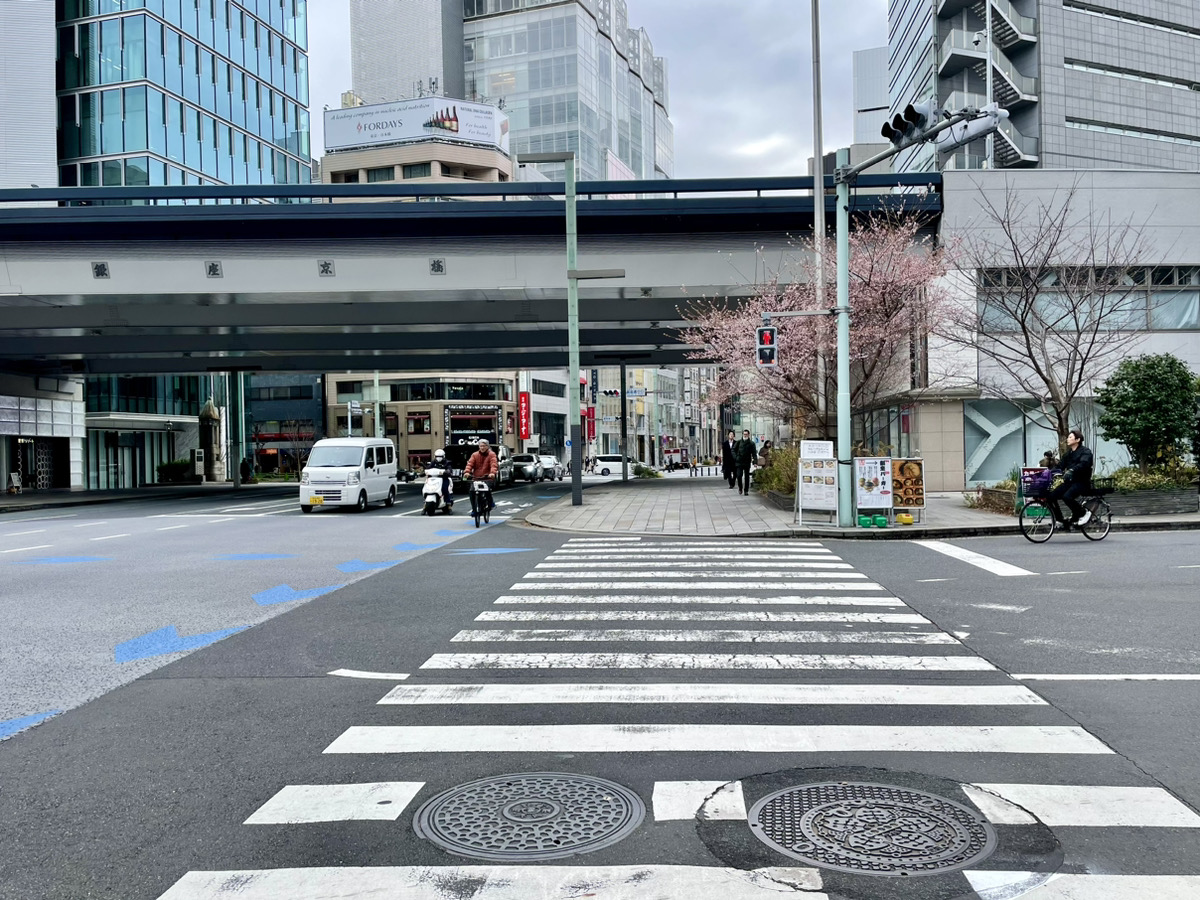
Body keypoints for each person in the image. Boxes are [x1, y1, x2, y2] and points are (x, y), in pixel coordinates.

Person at [1047, 428, 1094, 526]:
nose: (1067, 439)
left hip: (1082, 482)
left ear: (1077, 440)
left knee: (1067, 496)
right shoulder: (1068, 454)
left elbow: (1084, 464)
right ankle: (1060, 520)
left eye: (1070, 437)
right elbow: (1060, 466)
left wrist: (1072, 470)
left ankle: (1083, 513)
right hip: (1069, 482)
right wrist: (1048, 473)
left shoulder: (1086, 452)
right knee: (1050, 496)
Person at [464, 438, 498, 514]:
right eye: (481, 446)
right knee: (472, 492)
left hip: (487, 478)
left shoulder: (491, 454)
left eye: (484, 446)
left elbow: (494, 464)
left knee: (487, 491)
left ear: (487, 446)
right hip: (476, 478)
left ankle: (490, 503)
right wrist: (467, 472)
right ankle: (474, 509)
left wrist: (492, 473)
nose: (482, 447)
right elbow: (470, 464)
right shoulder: (474, 455)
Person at [733, 428, 758, 496]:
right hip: (739, 461)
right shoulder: (739, 442)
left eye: (746, 434)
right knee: (739, 475)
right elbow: (733, 450)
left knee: (747, 476)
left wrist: (755, 462)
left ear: (748, 435)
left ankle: (746, 490)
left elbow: (754, 454)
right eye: (744, 434)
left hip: (747, 461)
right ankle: (740, 488)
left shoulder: (751, 443)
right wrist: (736, 457)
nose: (745, 435)